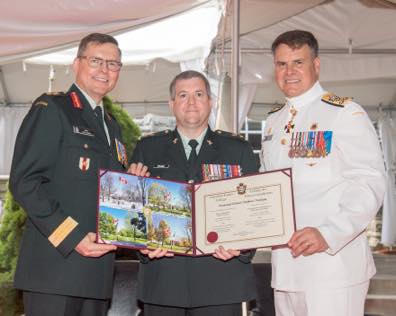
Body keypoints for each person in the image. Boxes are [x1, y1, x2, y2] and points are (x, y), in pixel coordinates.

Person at [260, 29, 386, 316]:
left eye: (298, 62)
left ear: (316, 65)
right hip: (286, 267)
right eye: (281, 64)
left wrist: (329, 233)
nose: (289, 71)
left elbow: (368, 182)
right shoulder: (273, 122)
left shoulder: (344, 113)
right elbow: (267, 186)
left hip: (333, 265)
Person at [9, 33, 128, 316]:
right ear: (76, 64)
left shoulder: (113, 127)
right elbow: (25, 181)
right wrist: (72, 236)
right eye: (96, 60)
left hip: (97, 275)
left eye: (113, 64)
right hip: (55, 271)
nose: (105, 70)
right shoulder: (53, 109)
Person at [129, 70, 258, 316]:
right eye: (183, 95)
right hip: (163, 282)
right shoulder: (147, 149)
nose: (191, 102)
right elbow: (135, 210)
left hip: (221, 282)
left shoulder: (237, 149)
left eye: (199, 94)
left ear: (211, 101)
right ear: (171, 104)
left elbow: (254, 210)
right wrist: (141, 246)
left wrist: (242, 246)